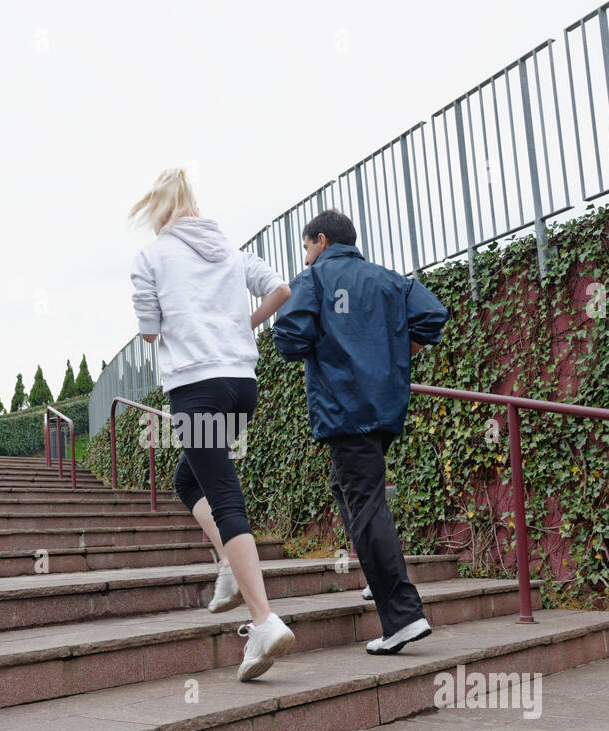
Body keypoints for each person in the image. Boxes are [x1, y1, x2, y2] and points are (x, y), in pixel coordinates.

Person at [128, 168, 295, 680]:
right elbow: (281, 290)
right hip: (241, 384)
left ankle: (263, 620)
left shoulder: (150, 257)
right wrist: (239, 329)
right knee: (188, 479)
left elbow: (151, 333)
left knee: (224, 495)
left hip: (196, 387)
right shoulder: (228, 247)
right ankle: (226, 564)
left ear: (157, 212)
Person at [271, 209, 449, 655]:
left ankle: (404, 617)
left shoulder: (315, 279)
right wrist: (393, 355)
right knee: (346, 487)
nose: (307, 255)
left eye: (308, 246)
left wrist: (331, 348)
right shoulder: (390, 280)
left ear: (321, 240)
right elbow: (433, 316)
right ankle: (378, 576)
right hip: (384, 407)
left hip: (345, 409)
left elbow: (288, 338)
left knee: (365, 501)